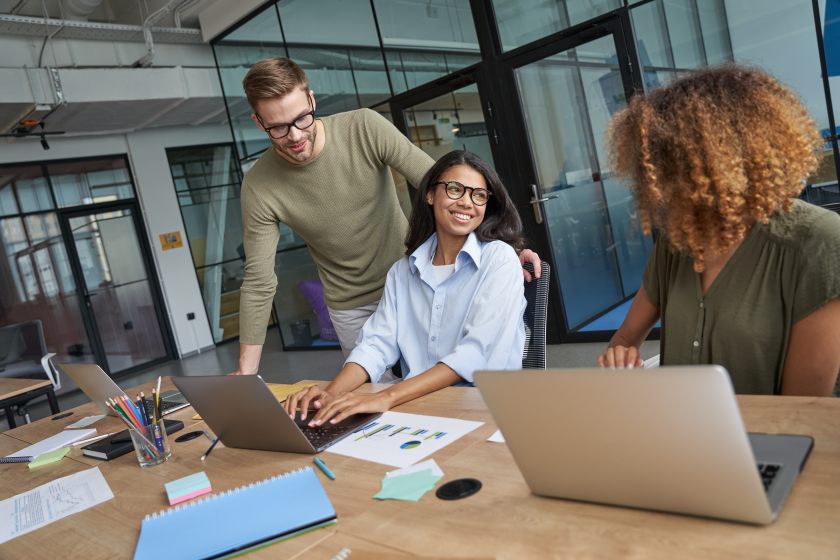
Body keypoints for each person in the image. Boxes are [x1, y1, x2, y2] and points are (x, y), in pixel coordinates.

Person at [234, 57, 540, 374]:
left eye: (302, 119)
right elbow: (258, 282)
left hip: (414, 282)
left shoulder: (364, 127)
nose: (295, 136)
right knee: (374, 407)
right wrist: (245, 373)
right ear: (259, 123)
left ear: (311, 100)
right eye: (279, 128)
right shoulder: (259, 185)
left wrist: (503, 247)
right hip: (350, 306)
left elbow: (439, 185)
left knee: (441, 383)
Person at [597, 65, 840, 396]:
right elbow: (624, 340)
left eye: (672, 170)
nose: (659, 190)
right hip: (679, 433)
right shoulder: (676, 241)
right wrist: (620, 359)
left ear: (726, 162)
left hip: (772, 443)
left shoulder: (819, 242)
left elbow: (800, 411)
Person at [284, 150, 526, 426]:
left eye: (479, 195)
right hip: (417, 409)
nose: (467, 203)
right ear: (430, 195)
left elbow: (475, 354)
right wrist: (328, 394)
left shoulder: (499, 259)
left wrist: (387, 396)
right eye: (455, 189)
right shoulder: (402, 272)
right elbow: (376, 345)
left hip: (486, 411)